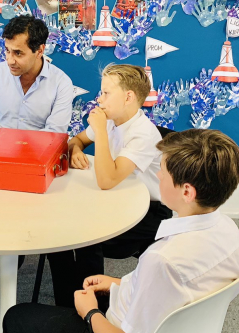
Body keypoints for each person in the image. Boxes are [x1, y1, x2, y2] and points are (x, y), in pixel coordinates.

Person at [3, 129, 239, 333]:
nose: (158, 175)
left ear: (187, 192)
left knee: (17, 315)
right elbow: (174, 290)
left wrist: (90, 312)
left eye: (163, 172)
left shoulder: (162, 259)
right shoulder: (230, 232)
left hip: (111, 324)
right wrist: (119, 284)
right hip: (156, 314)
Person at [47, 64, 171, 308]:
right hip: (117, 199)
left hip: (148, 212)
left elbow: (106, 180)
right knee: (57, 233)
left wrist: (101, 132)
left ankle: (93, 308)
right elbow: (77, 140)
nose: (99, 99)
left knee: (87, 237)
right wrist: (75, 150)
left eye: (105, 93)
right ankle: (67, 303)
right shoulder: (113, 120)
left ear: (128, 97)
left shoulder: (142, 134)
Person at [0, 15, 73, 145]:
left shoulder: (61, 83)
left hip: (39, 153)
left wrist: (7, 139)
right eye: (7, 50)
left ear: (40, 51)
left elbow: (55, 134)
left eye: (18, 53)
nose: (10, 60)